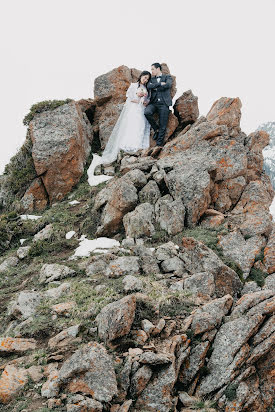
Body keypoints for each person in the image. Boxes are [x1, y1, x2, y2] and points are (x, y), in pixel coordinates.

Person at [99, 70, 151, 165]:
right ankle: (129, 144)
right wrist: (137, 96)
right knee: (132, 125)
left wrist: (145, 100)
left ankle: (138, 144)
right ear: (141, 76)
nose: (146, 80)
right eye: (145, 77)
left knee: (140, 125)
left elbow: (147, 99)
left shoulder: (146, 88)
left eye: (147, 79)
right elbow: (128, 96)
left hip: (141, 108)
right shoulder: (133, 85)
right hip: (134, 108)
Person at [144, 63, 173, 147]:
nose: (151, 71)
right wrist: (160, 84)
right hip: (153, 103)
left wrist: (155, 87)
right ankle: (156, 129)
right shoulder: (151, 79)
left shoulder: (167, 77)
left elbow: (168, 85)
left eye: (152, 69)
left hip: (164, 103)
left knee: (163, 125)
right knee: (147, 112)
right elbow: (149, 86)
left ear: (158, 69)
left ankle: (158, 145)